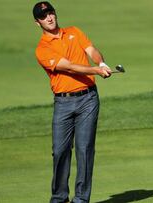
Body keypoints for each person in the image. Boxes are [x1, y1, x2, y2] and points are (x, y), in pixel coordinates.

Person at [32, 2, 112, 203]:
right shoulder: (42, 49)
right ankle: (59, 197)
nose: (49, 18)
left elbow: (91, 49)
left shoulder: (74, 32)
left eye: (51, 13)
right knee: (60, 150)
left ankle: (81, 199)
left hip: (88, 99)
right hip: (63, 103)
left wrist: (100, 62)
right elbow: (68, 67)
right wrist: (96, 71)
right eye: (44, 16)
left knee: (85, 149)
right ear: (37, 22)